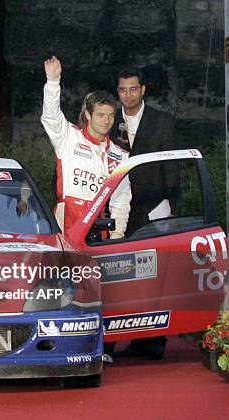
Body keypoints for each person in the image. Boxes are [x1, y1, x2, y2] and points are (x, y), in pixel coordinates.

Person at [109, 68, 180, 360]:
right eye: (123, 90)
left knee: (153, 278)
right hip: (119, 211)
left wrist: (170, 208)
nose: (128, 95)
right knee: (119, 278)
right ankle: (112, 340)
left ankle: (151, 342)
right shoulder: (110, 120)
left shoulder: (162, 121)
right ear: (118, 92)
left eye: (133, 89)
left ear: (143, 90)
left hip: (154, 210)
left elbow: (172, 168)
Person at [40, 56, 131, 238]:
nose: (107, 121)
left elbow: (121, 199)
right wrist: (53, 82)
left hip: (98, 227)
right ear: (88, 115)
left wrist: (117, 234)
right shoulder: (68, 137)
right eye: (100, 115)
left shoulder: (120, 155)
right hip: (65, 224)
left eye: (111, 115)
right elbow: (51, 116)